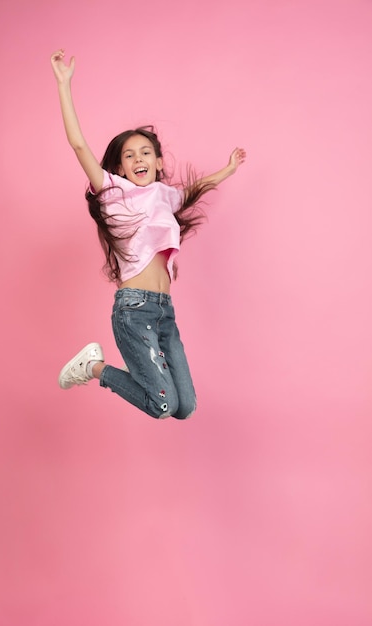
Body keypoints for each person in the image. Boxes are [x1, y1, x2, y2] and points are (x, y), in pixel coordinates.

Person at [50, 49, 246, 420]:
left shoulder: (164, 196)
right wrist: (64, 84)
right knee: (163, 405)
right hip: (134, 309)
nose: (138, 159)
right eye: (129, 155)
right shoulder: (113, 193)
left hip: (164, 312)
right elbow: (78, 144)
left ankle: (105, 371)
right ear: (120, 166)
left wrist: (227, 170)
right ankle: (92, 368)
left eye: (145, 153)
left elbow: (193, 188)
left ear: (158, 162)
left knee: (184, 407)